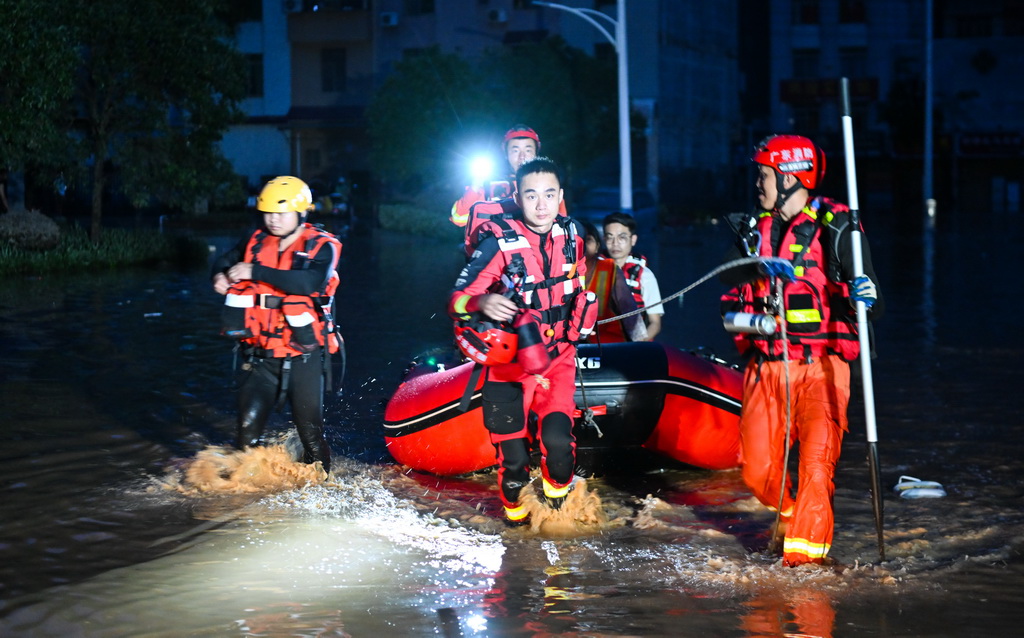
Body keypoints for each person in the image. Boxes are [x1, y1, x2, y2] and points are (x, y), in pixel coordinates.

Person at [720, 134, 884, 567]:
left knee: (815, 469)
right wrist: (754, 272)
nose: (758, 183)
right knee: (756, 471)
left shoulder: (838, 227)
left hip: (821, 369)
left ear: (791, 177)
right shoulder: (754, 231)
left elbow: (875, 303)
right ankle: (791, 513)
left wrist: (863, 295)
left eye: (765, 174)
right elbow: (726, 291)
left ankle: (805, 571)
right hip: (766, 367)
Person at [448, 157, 597, 526]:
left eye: (549, 195)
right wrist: (482, 301)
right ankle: (516, 534)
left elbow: (577, 282)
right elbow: (456, 300)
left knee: (560, 449)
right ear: (517, 195)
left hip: (559, 358)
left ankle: (557, 516)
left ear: (560, 196)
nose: (541, 205)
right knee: (513, 465)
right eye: (531, 196)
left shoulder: (573, 235)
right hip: (510, 365)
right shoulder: (497, 243)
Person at [211, 175, 343, 473]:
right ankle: (245, 494)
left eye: (281, 213)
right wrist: (219, 275)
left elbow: (310, 282)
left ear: (302, 212)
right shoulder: (255, 240)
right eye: (268, 212)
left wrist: (254, 271)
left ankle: (321, 486)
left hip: (303, 354)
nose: (273, 219)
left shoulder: (324, 246)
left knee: (311, 434)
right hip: (260, 355)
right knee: (246, 432)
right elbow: (224, 261)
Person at [451, 125, 567, 258]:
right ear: (506, 154)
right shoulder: (490, 186)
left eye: (528, 150)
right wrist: (476, 184)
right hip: (495, 261)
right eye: (515, 150)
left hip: (537, 261)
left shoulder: (548, 187)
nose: (522, 156)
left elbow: (560, 228)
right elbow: (459, 218)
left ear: (536, 153)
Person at [600, 212, 664, 341]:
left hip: (632, 345)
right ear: (604, 239)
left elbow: (655, 323)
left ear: (633, 240)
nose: (615, 243)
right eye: (610, 237)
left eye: (622, 237)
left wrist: (636, 346)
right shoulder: (594, 270)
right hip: (601, 343)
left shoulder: (645, 276)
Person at [580, 220, 647, 343]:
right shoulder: (559, 271)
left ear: (597, 246)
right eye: (578, 240)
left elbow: (629, 309)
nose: (582, 244)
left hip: (608, 345)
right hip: (570, 347)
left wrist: (641, 346)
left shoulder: (609, 269)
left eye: (588, 240)